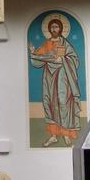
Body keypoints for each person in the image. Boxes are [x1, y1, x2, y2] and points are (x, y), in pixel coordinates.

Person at [29, 15, 81, 146]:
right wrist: (33, 52)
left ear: (61, 28)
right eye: (52, 26)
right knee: (49, 103)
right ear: (49, 29)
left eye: (56, 26)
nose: (54, 28)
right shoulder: (47, 43)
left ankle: (66, 135)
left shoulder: (65, 43)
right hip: (49, 76)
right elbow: (37, 59)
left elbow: (74, 59)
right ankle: (53, 135)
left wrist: (63, 59)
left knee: (63, 102)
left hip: (63, 76)